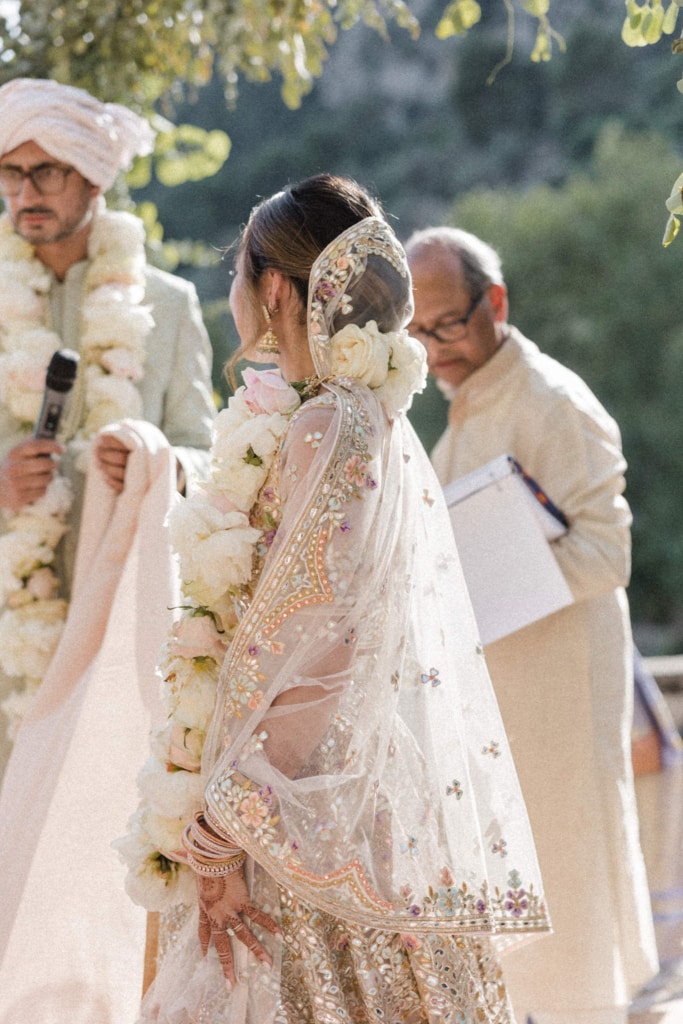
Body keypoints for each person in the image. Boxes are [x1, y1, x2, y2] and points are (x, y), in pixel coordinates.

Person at [122, 174, 551, 1024]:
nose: (233, 290)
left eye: (239, 271)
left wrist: (227, 826)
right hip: (315, 777)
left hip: (301, 796)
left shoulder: (329, 425)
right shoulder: (335, 414)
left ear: (277, 290)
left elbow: (322, 641)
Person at [405, 226, 658, 1024]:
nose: (434, 349)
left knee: (569, 878)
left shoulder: (551, 400)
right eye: (417, 332)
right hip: (498, 698)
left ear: (496, 302)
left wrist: (487, 579)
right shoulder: (467, 405)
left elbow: (607, 554)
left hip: (559, 688)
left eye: (448, 324)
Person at [0, 77, 215, 769]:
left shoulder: (168, 306)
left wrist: (158, 465)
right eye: (10, 173)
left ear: (94, 178)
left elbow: (207, 454)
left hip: (126, 612)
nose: (25, 192)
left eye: (46, 171)